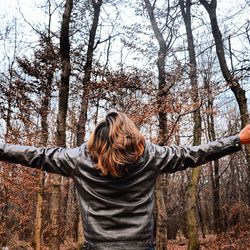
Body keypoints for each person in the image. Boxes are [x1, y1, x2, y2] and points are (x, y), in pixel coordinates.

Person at [0, 110, 250, 250]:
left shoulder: (77, 159)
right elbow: (194, 154)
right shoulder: (151, 156)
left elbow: (36, 156)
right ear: (133, 136)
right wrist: (236, 139)